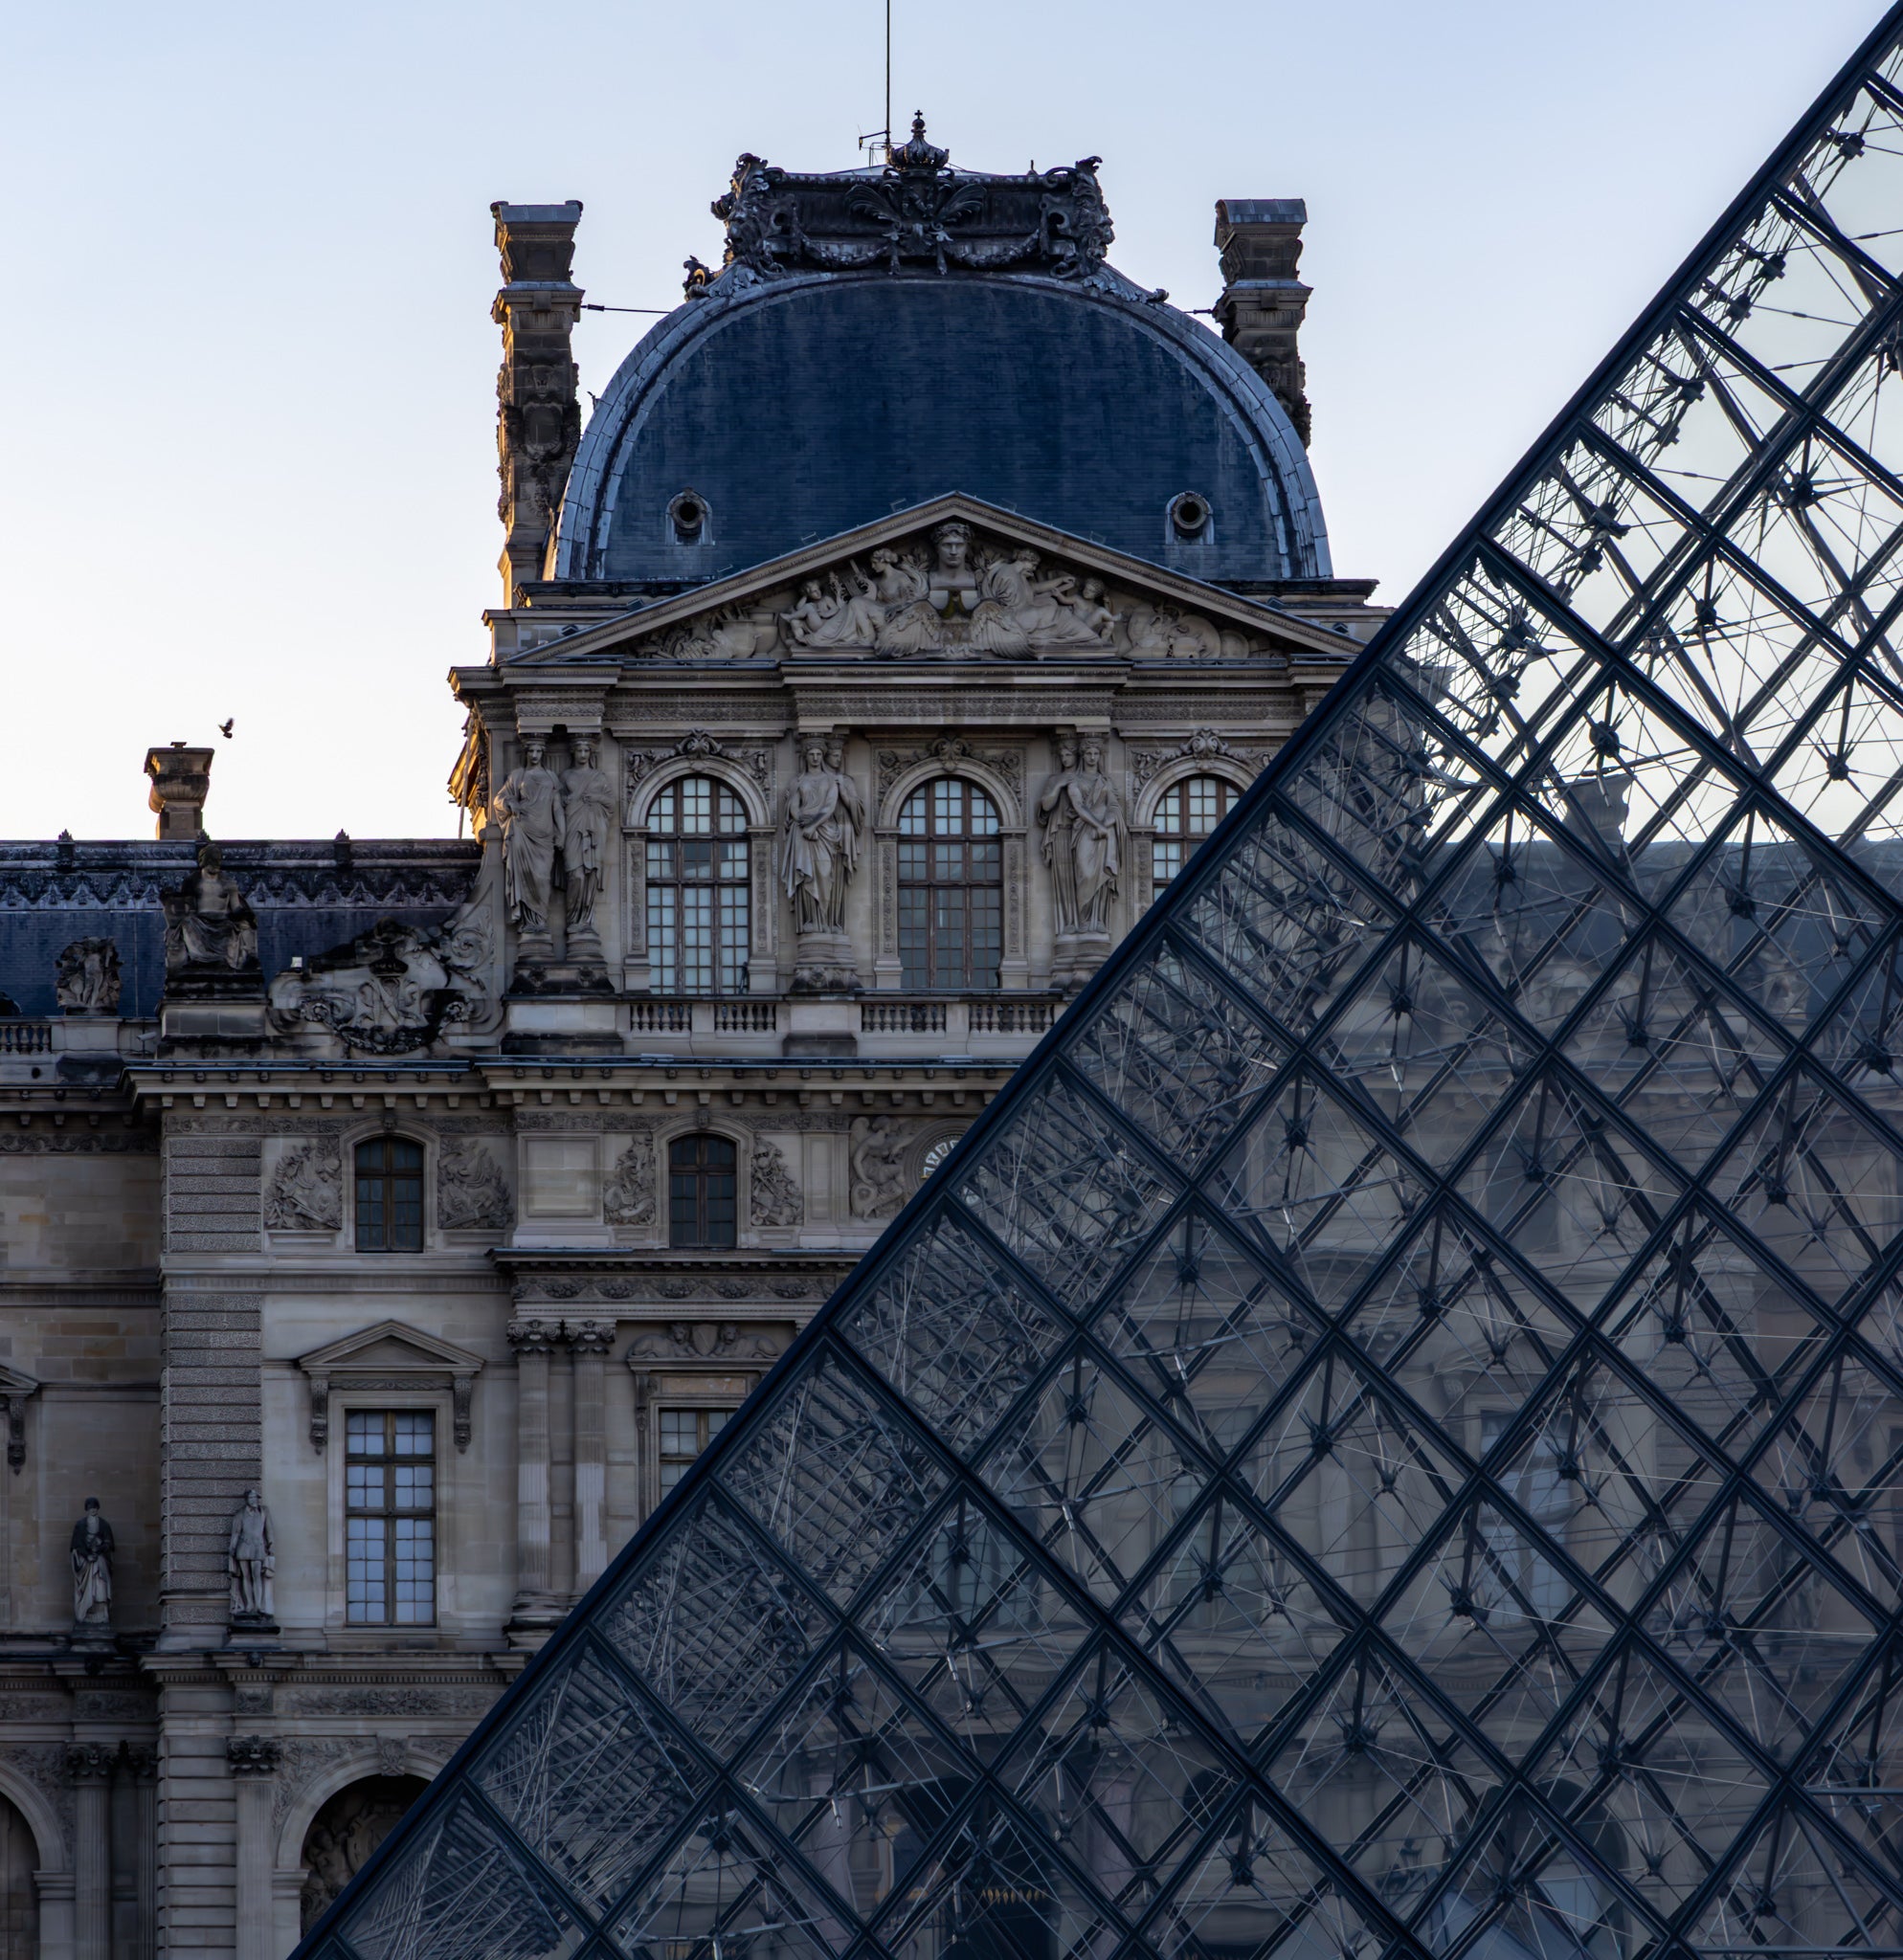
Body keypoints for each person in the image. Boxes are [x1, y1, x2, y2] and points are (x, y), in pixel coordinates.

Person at [493, 739, 564, 939]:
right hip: (522, 832)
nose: (534, 755)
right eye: (531, 751)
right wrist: (510, 803)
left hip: (545, 835)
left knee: (542, 878)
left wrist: (563, 833)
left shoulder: (551, 777)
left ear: (542, 753)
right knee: (525, 875)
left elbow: (557, 808)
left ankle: (540, 919)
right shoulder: (517, 776)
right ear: (526, 753)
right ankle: (530, 922)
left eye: (537, 751)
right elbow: (499, 799)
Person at [70, 1498, 113, 1627]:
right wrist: (87, 1555)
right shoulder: (80, 1524)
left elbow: (109, 1543)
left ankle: (101, 1615)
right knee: (87, 1590)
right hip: (86, 1563)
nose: (92, 1510)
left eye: (94, 1507)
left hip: (100, 1561)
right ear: (87, 1509)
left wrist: (99, 1549)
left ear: (97, 1508)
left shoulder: (104, 1524)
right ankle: (86, 1614)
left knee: (101, 1587)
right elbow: (76, 1545)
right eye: (90, 1508)